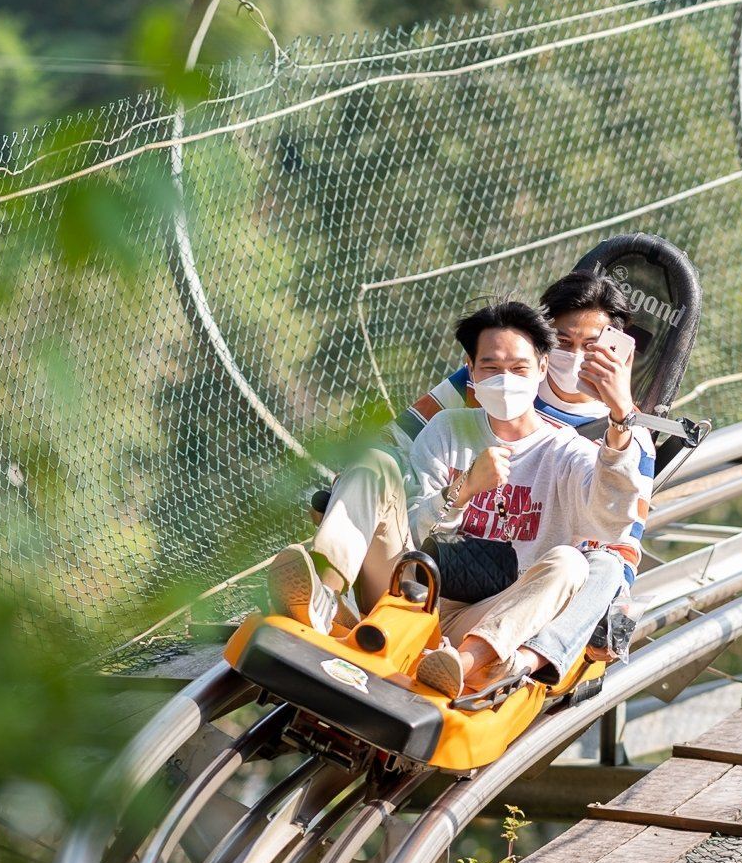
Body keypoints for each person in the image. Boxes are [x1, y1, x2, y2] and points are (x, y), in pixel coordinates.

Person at [268, 300, 644, 696]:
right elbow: (410, 532)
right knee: (374, 463)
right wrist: (460, 492)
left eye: (518, 369)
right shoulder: (447, 428)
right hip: (410, 591)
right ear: (471, 369)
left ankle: (459, 666)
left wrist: (620, 421)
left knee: (570, 563)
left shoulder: (567, 453)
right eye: (491, 368)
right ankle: (323, 594)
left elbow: (612, 521)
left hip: (487, 617)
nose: (505, 380)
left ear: (542, 368)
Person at [395, 270, 656, 675]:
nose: (576, 356)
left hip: (541, 574)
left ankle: (521, 660)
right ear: (547, 342)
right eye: (565, 342)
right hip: (444, 563)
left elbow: (622, 539)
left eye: (591, 346)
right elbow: (399, 436)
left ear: (617, 350)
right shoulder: (489, 375)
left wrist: (606, 608)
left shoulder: (624, 434)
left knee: (597, 565)